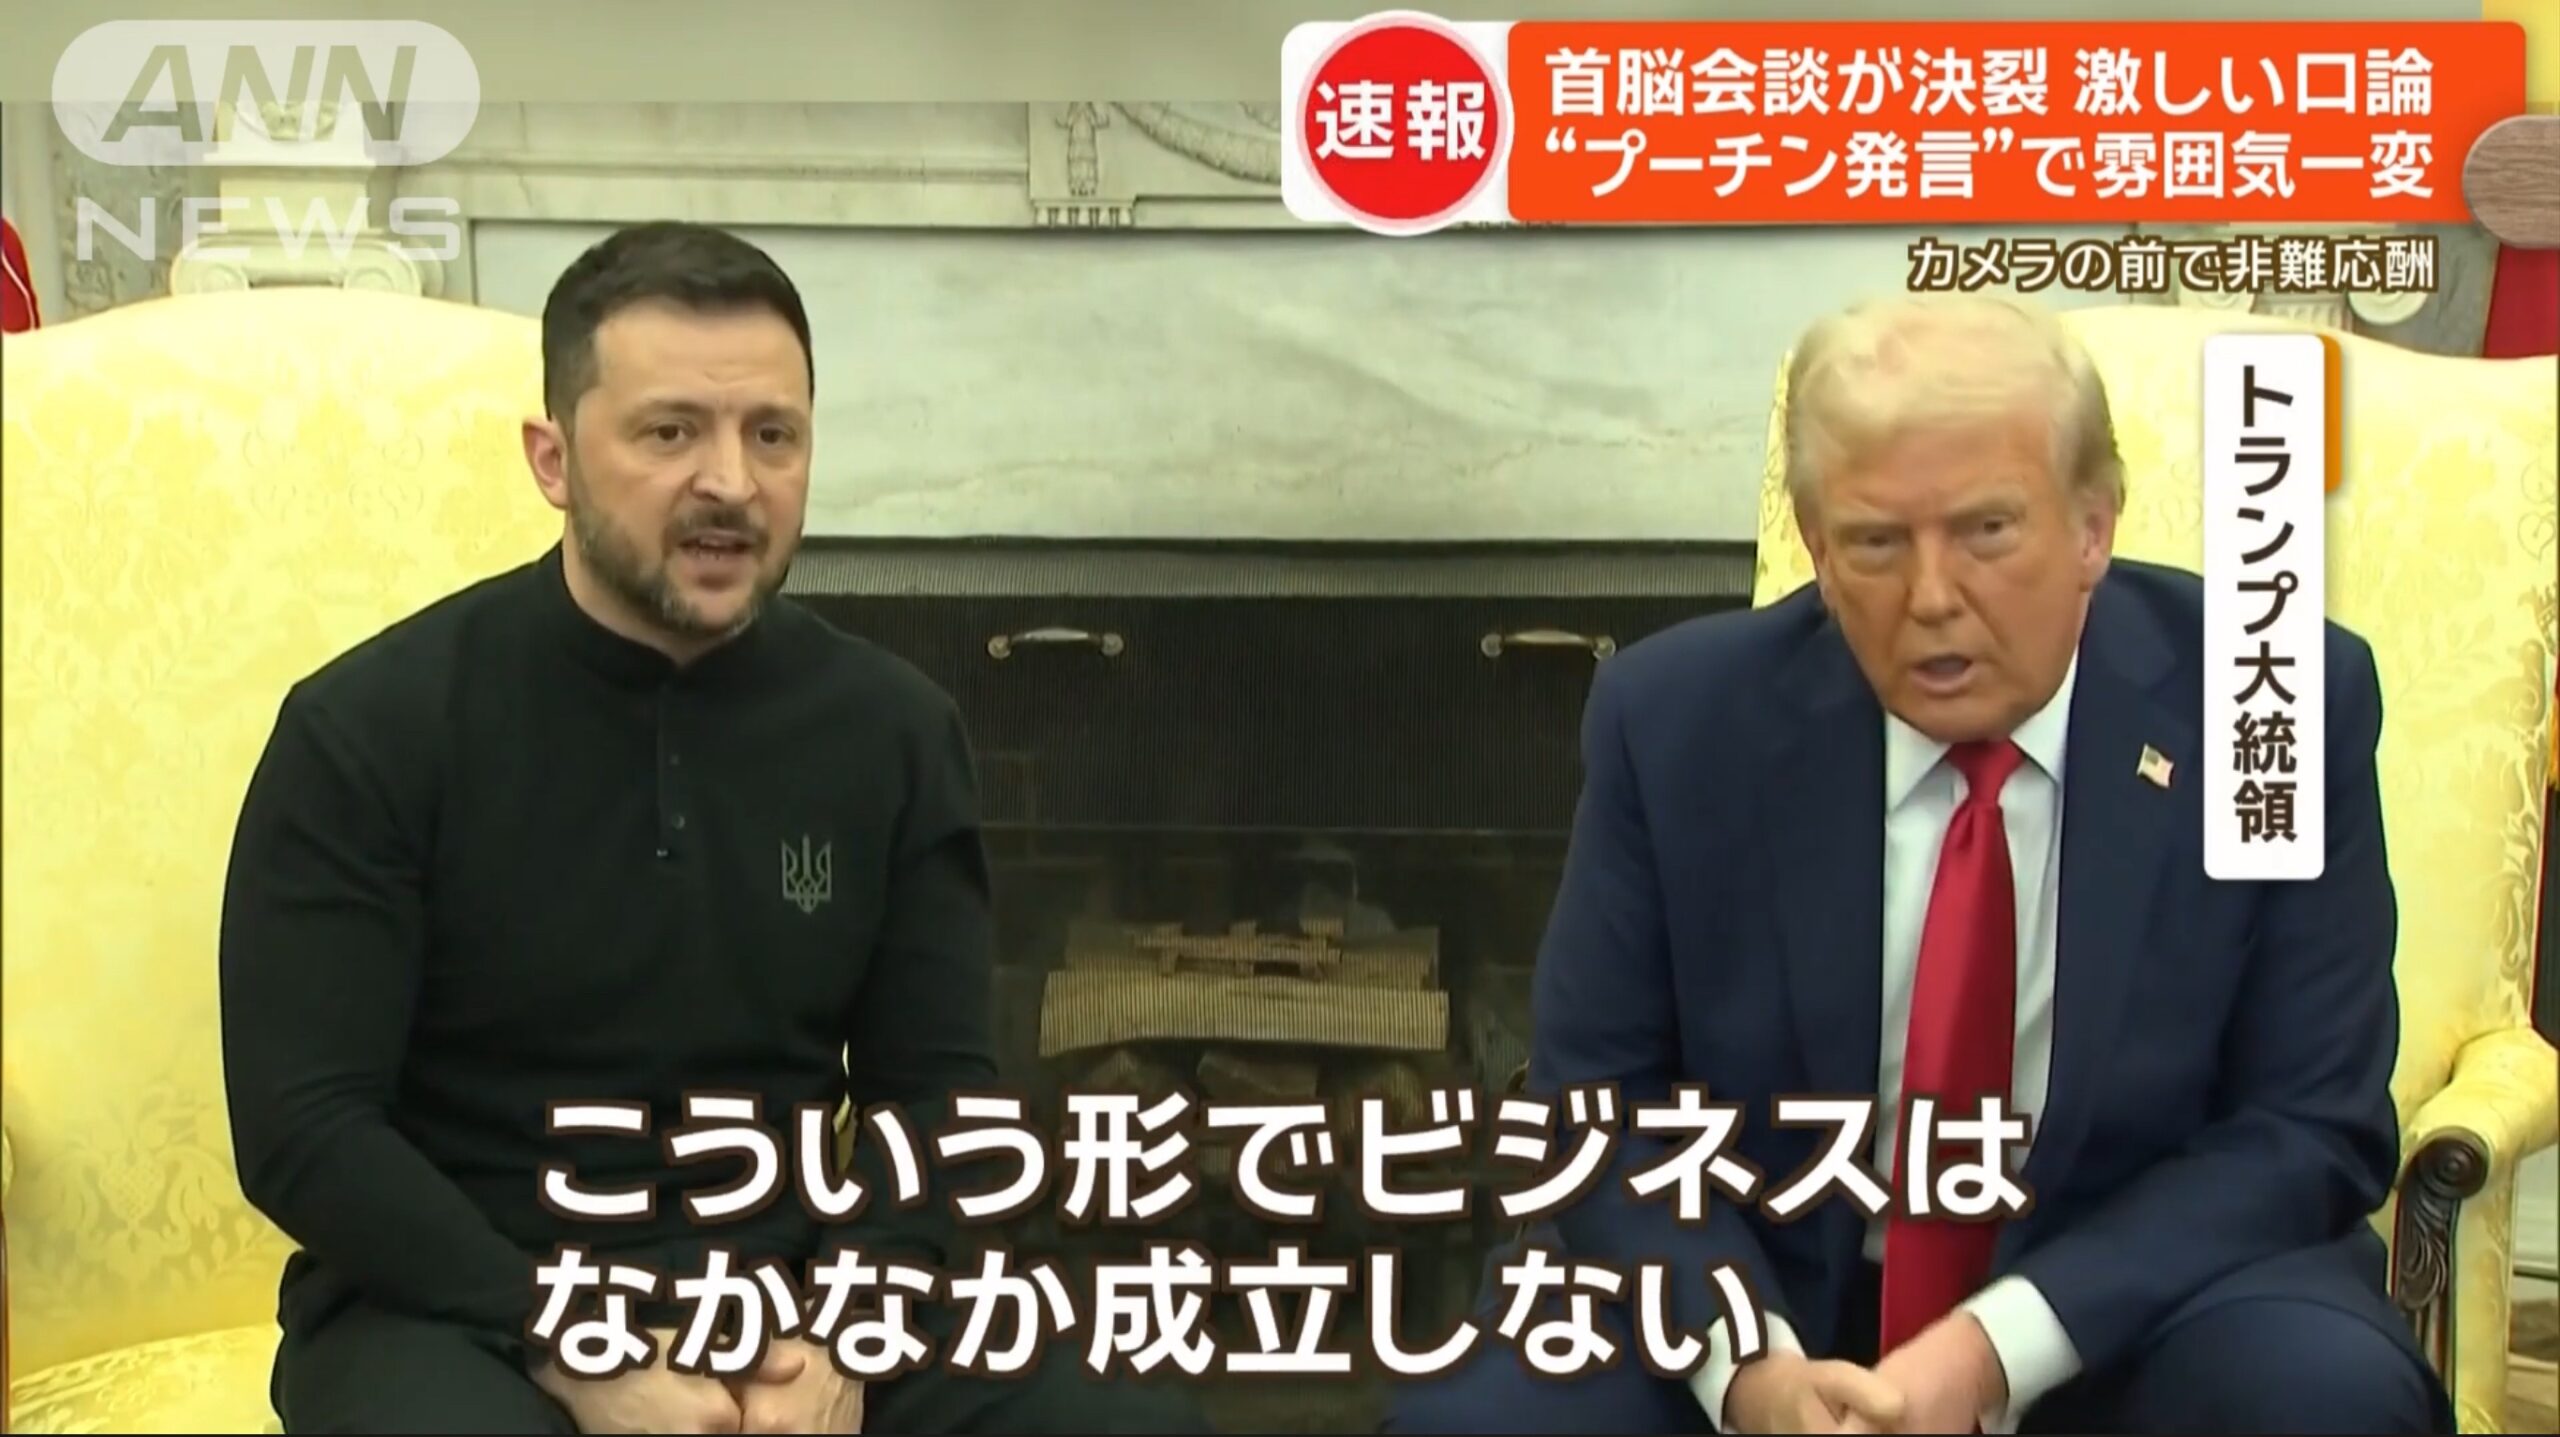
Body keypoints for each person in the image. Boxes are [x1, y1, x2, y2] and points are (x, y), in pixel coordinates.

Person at [1387, 294, 2449, 1434]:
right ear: (1816, 543)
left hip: (2139, 1300)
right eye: (1876, 543)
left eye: (1987, 531)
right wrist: (1749, 1370)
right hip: (1760, 1283)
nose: (1932, 597)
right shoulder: (1678, 719)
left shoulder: (2265, 707)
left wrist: (1995, 1347)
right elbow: (1596, 1104)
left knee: (2321, 1394)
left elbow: (2306, 1122)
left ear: (2093, 526)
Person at [219, 221, 1206, 1435]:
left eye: (771, 435)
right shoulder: (369, 728)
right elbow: (305, 1131)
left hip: (792, 1292)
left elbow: (937, 1101)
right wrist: (570, 1339)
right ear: (552, 459)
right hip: (460, 1304)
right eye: (670, 432)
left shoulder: (891, 730)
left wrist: (847, 1329)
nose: (732, 483)